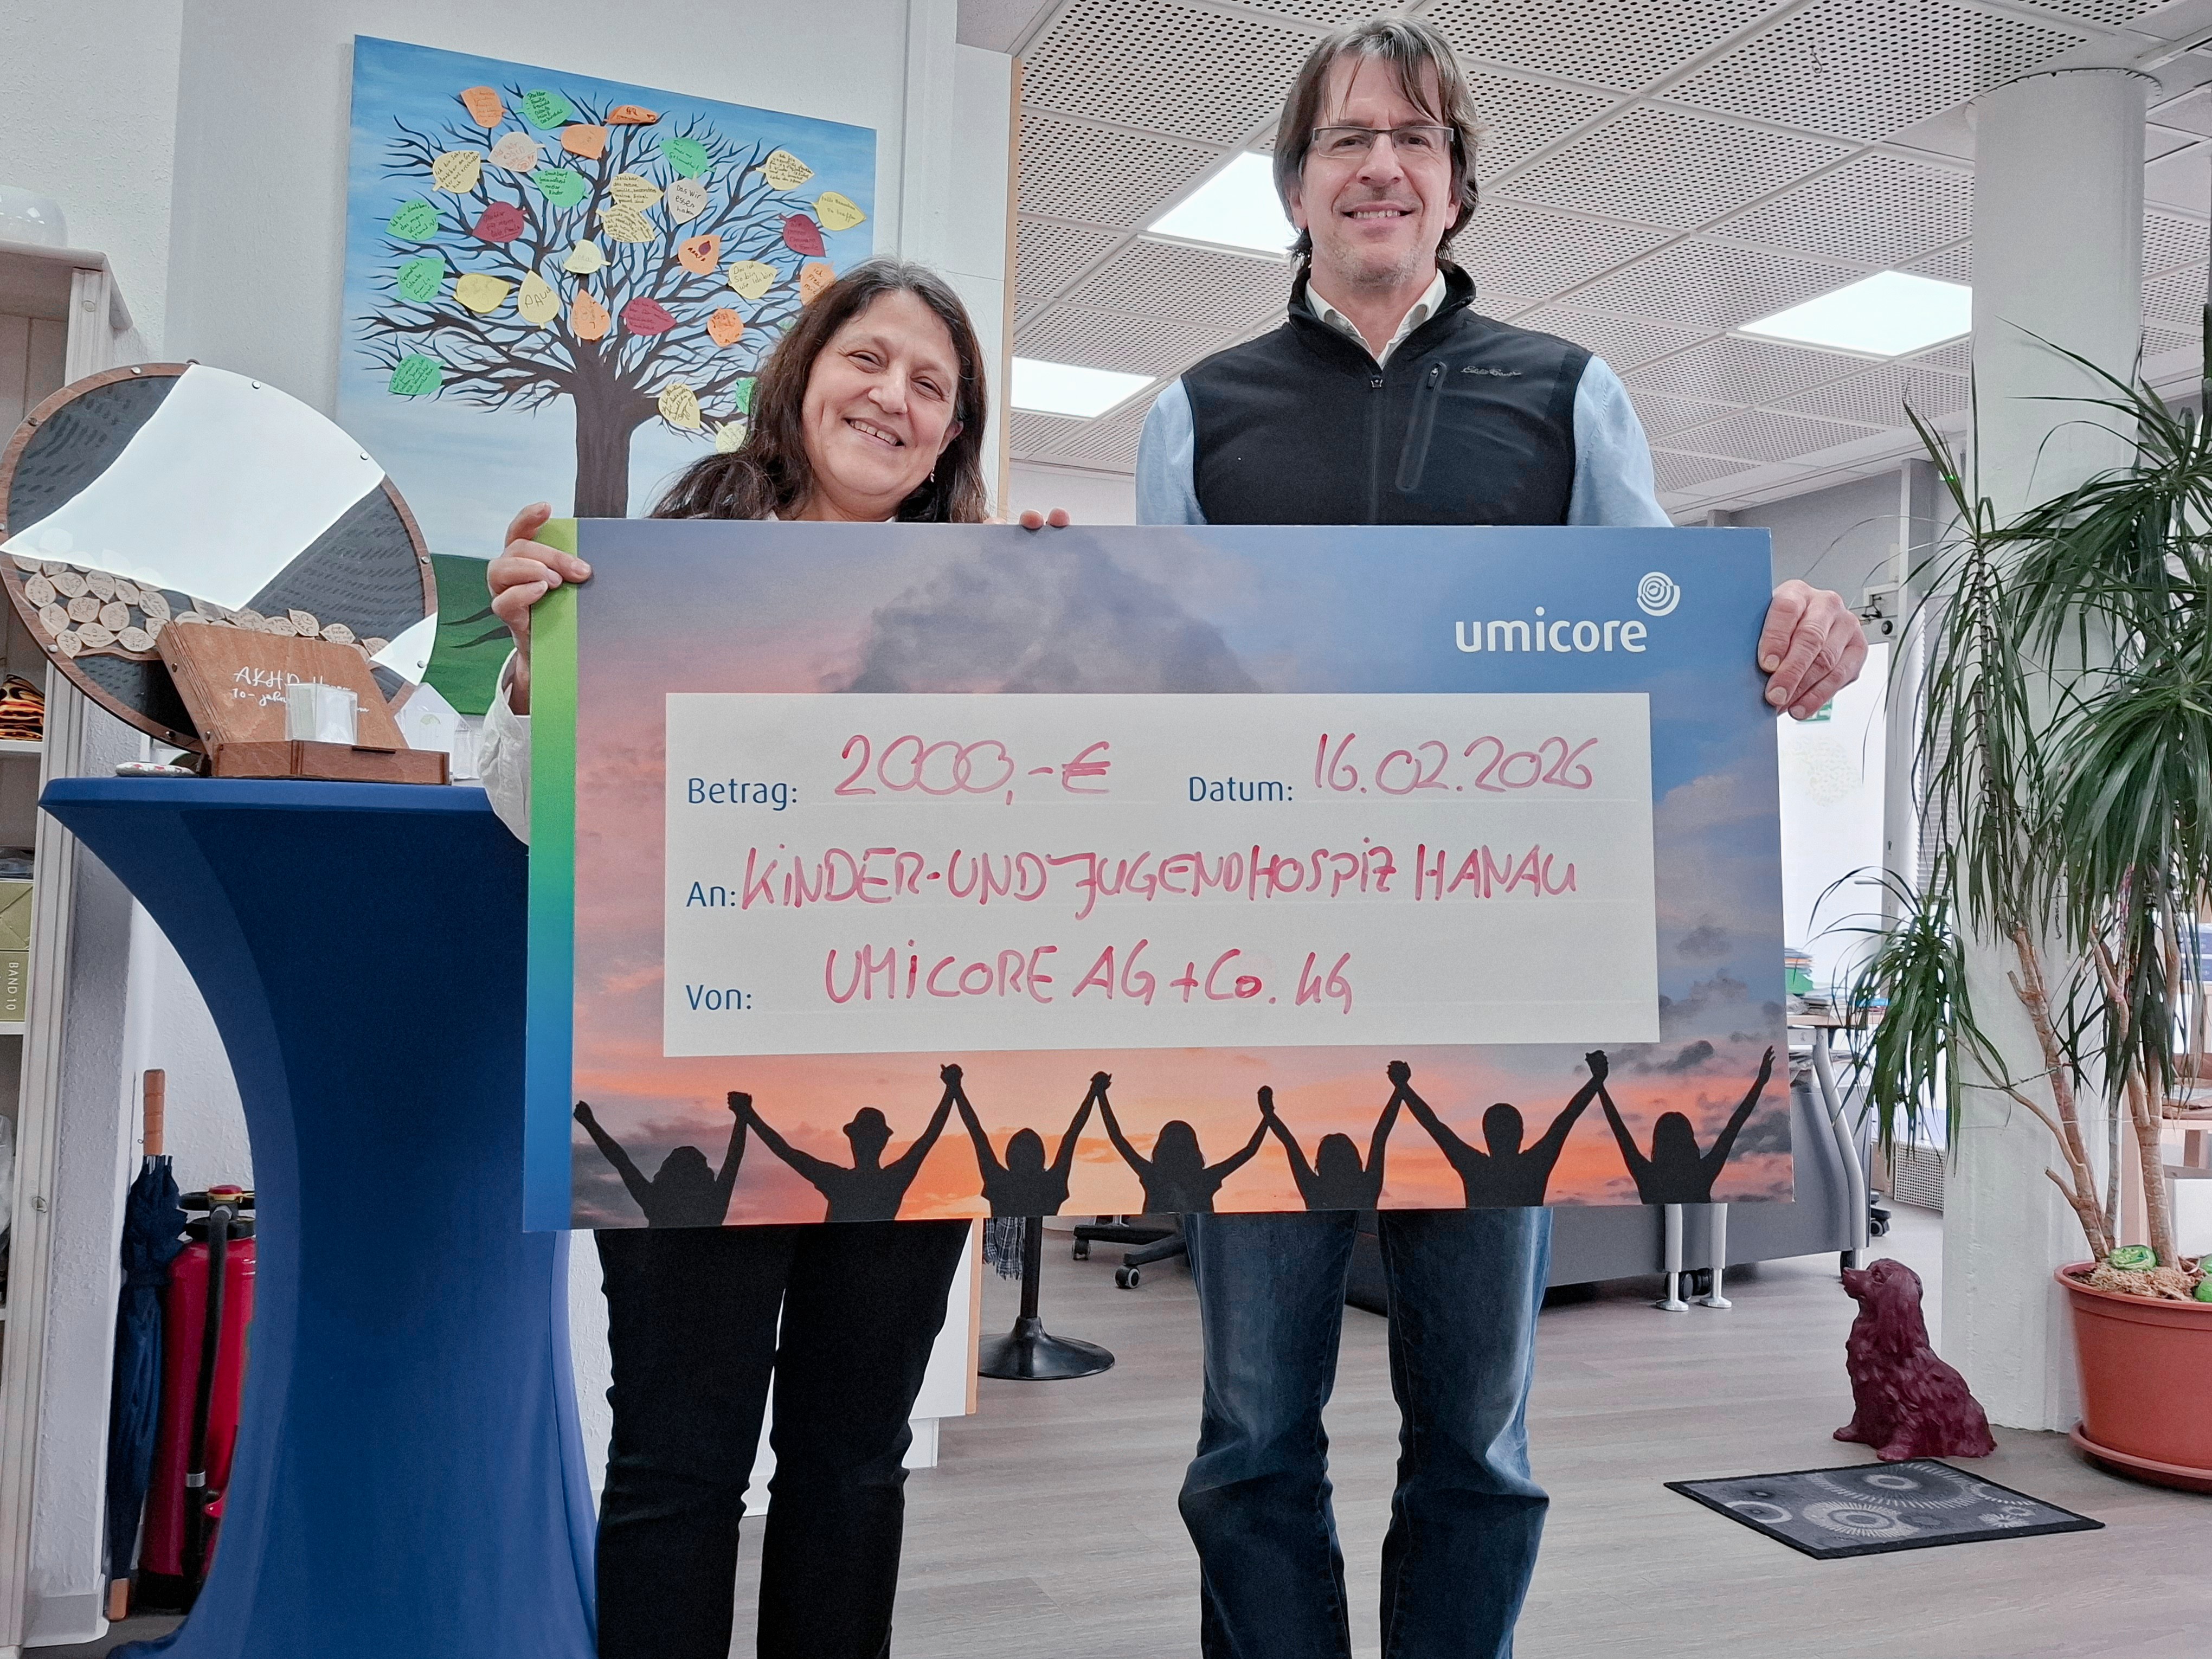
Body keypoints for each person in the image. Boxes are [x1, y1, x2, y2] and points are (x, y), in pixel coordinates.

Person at [1135, 19, 1869, 1659]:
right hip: (1260, 1010)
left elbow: (1667, 657)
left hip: (1504, 1011)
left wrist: (1796, 632)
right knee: (1247, 1441)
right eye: (1345, 137)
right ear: (1294, 185)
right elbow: (1150, 705)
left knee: (1476, 1442)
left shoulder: (1564, 393)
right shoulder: (1196, 414)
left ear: (1454, 186)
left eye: (1414, 136)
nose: (1379, 164)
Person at [477, 259, 1057, 1659]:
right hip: (681, 1082)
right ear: (802, 374)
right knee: (678, 1463)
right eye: (870, 359)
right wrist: (535, 673)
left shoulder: (989, 612)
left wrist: (1068, 640)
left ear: (953, 436)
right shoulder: (650, 572)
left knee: (853, 1463)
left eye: (933, 386)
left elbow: (1052, 843)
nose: (894, 397)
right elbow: (525, 819)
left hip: (912, 1094)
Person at [1393, 1053, 1609, 1208]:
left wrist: (1403, 1087)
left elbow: (1435, 1126)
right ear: (1521, 1134)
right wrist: (1597, 1080)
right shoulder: (1533, 1165)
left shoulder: (1476, 1168)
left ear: (1487, 1136)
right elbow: (1566, 1119)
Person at [735, 1079, 957, 1224]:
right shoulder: (891, 1180)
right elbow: (929, 1137)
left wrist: (749, 1114)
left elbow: (786, 1152)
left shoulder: (839, 1181)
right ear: (883, 1142)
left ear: (854, 1140)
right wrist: (951, 1090)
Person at [1599, 1046, 1778, 1204]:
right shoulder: (1701, 1174)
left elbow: (1619, 1129)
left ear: (1659, 1141)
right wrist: (1760, 1083)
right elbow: (1734, 1125)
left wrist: (1599, 1083)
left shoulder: (1648, 1176)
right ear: (1689, 1141)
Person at [1095, 1080, 1271, 1213]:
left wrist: (1100, 1094)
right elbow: (1250, 1151)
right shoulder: (1205, 1179)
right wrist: (1268, 1114)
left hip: (1156, 1238)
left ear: (1161, 1148)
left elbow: (1117, 1138)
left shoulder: (1153, 1175)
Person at [574, 1095, 747, 1229]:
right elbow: (734, 1158)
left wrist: (590, 1125)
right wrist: (741, 1116)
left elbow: (621, 1161)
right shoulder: (713, 1204)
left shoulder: (656, 1202)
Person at [955, 1068, 1099, 1217]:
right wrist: (1093, 1092)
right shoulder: (1051, 1184)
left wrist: (956, 1089)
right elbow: (1071, 1136)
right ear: (1041, 1157)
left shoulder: (1000, 1181)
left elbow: (977, 1133)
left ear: (1010, 1157)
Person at [1258, 1083, 1401, 1211]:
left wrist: (1268, 1113)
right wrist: (1400, 1088)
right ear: (1356, 1160)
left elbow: (1290, 1144)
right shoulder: (1367, 1187)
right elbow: (1380, 1136)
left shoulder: (1314, 1190)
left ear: (1320, 1164)